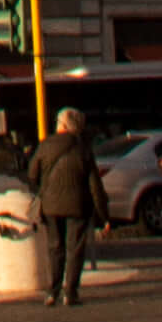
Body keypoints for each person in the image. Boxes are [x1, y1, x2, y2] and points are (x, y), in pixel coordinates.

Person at [25, 107, 108, 305]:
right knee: (75, 249)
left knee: (55, 247)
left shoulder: (45, 146)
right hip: (78, 206)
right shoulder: (83, 148)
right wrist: (103, 214)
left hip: (51, 206)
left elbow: (32, 175)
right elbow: (94, 184)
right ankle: (70, 292)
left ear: (60, 125)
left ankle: (52, 292)